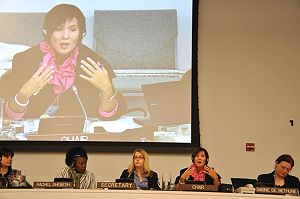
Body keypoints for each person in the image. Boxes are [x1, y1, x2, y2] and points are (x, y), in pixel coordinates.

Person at [0, 4, 127, 120]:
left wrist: (107, 91)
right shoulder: (25, 60)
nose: (65, 36)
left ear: (81, 33)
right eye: (58, 28)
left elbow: (109, 116)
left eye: (72, 29)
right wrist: (24, 94)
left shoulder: (93, 62)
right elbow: (9, 117)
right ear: (47, 32)